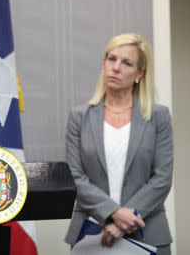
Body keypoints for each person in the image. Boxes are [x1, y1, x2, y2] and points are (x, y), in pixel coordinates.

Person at [64, 33, 173, 254]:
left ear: (140, 73)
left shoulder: (158, 116)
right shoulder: (79, 117)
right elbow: (75, 177)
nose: (116, 68)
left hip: (148, 233)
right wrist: (113, 212)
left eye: (127, 63)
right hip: (91, 233)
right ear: (103, 63)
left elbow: (162, 177)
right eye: (111, 59)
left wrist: (128, 217)